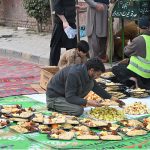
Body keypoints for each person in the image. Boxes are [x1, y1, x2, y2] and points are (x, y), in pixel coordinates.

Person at [46, 57, 124, 116]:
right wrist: (88, 102)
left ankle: (69, 105)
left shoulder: (86, 71)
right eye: (98, 74)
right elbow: (70, 97)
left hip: (65, 96)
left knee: (91, 83)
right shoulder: (74, 74)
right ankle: (55, 106)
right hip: (55, 97)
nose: (98, 77)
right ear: (92, 70)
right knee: (79, 110)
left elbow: (96, 87)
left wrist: (112, 98)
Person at [112, 17, 150, 89]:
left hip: (140, 74)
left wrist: (129, 44)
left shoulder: (139, 39)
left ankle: (133, 81)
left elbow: (126, 52)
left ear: (139, 28)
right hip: (148, 76)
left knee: (116, 68)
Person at [49, 0, 77, 66]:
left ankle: (70, 70)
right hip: (61, 23)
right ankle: (53, 69)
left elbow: (65, 3)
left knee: (72, 48)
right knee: (55, 48)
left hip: (71, 22)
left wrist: (73, 7)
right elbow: (56, 6)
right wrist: (64, 21)